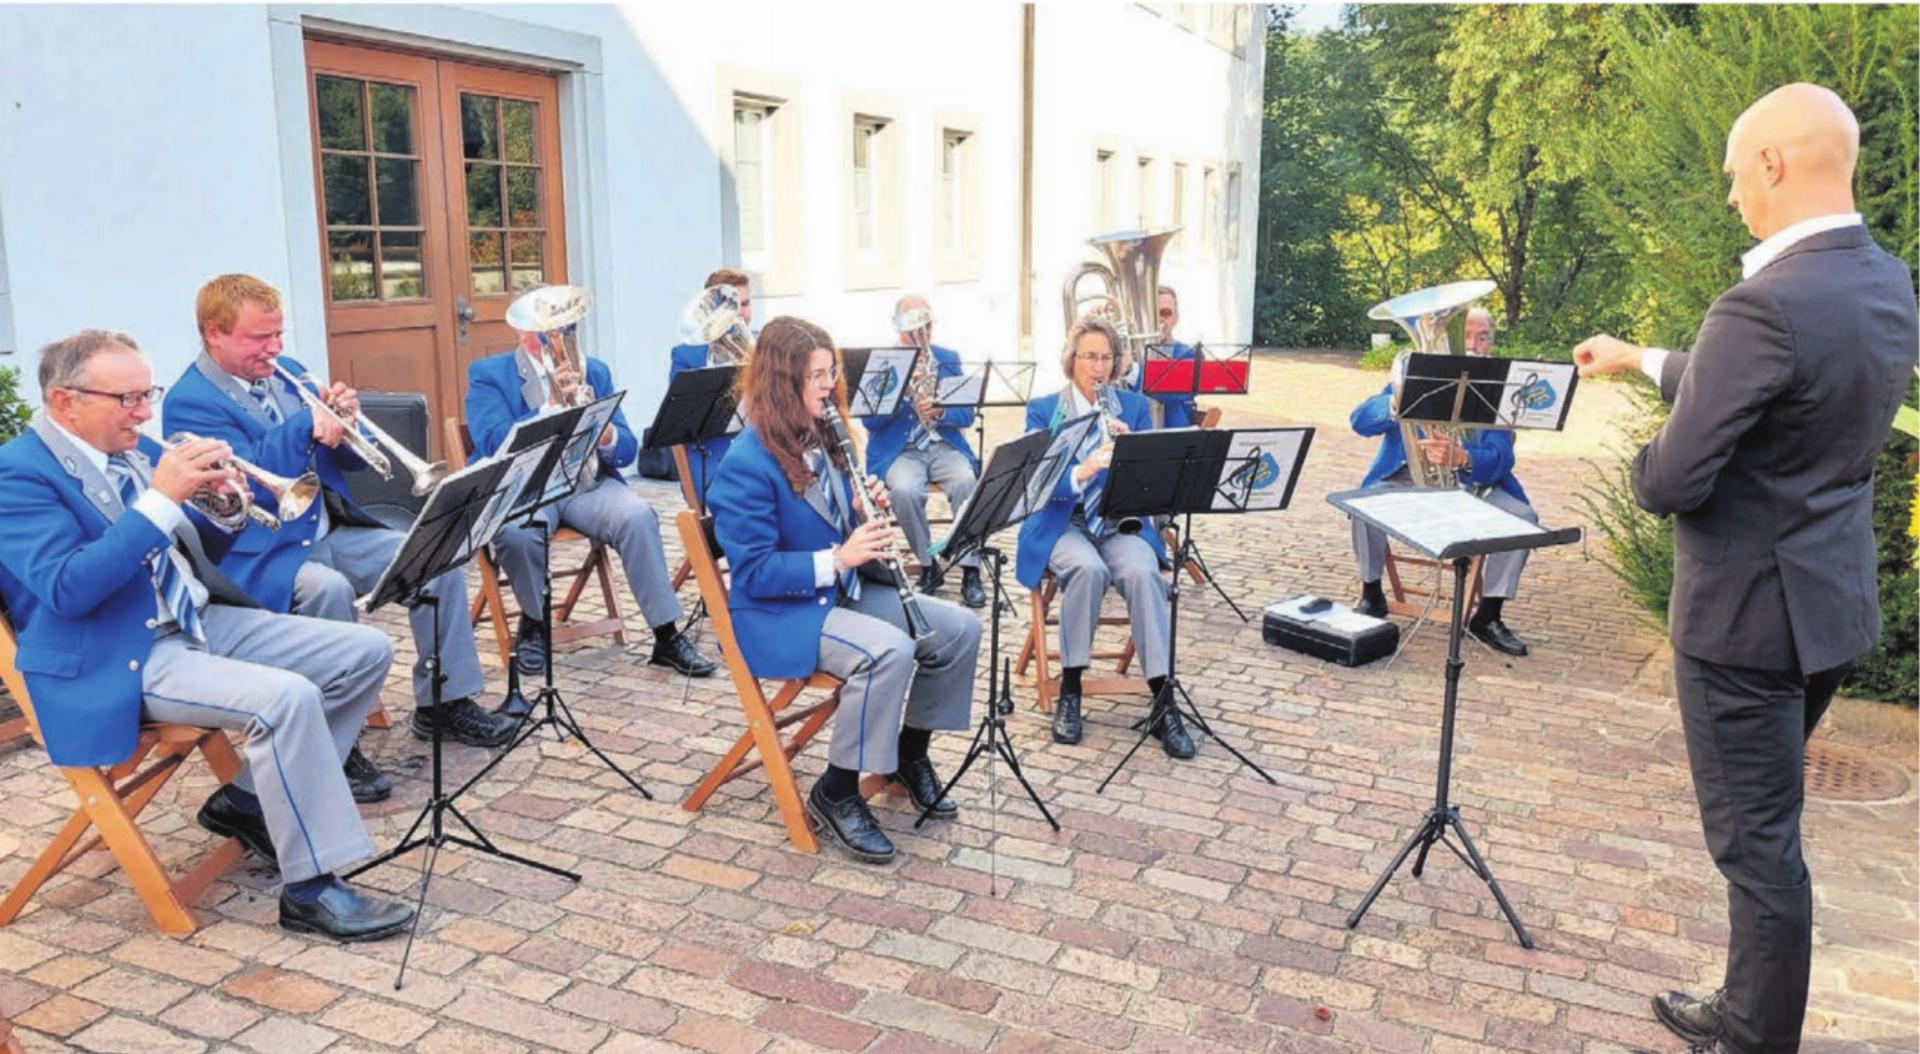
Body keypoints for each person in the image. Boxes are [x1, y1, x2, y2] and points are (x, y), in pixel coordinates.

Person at [1574, 84, 1917, 1054]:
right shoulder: (1882, 283)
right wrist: (1642, 358)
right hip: (1827, 614)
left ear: (1770, 164)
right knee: (1769, 828)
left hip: (1743, 628)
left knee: (1758, 848)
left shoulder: (1761, 303)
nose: (1731, 196)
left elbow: (1672, 476)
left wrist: (1645, 462)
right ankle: (1740, 1003)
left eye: (1735, 175)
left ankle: (1754, 1038)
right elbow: (1781, 380)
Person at [0, 330, 414, 941]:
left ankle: (248, 801)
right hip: (117, 653)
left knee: (364, 651)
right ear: (65, 402)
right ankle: (311, 888)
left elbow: (189, 551)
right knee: (286, 700)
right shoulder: (18, 475)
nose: (145, 412)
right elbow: (68, 587)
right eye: (128, 398)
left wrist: (222, 508)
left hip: (192, 618)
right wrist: (161, 501)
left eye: (148, 394)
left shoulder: (128, 452)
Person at [164, 275, 516, 790]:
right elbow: (241, 485)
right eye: (260, 338)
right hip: (261, 550)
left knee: (435, 556)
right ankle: (337, 744)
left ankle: (445, 700)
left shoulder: (288, 375)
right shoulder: (188, 402)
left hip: (327, 530)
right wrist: (304, 426)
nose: (276, 348)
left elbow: (344, 460)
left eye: (279, 334)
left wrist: (345, 423)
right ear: (214, 334)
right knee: (324, 590)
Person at [706, 316, 981, 865]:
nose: (830, 386)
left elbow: (832, 521)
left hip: (837, 594)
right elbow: (757, 572)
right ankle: (836, 789)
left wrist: (860, 508)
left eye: (831, 373)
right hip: (777, 614)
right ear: (783, 382)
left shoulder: (824, 434)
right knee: (889, 650)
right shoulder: (745, 464)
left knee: (958, 630)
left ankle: (908, 753)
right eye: (816, 376)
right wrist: (840, 555)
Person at [467, 297, 718, 679]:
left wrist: (608, 436)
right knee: (518, 532)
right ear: (521, 331)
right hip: (528, 488)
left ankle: (666, 635)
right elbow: (492, 442)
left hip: (587, 484)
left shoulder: (594, 371)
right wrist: (549, 408)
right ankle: (534, 625)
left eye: (566, 327)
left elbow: (630, 447)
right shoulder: (489, 373)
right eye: (546, 329)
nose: (558, 337)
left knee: (637, 516)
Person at [1015, 316, 1189, 758]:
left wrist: (1136, 459)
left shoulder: (1130, 407)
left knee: (1143, 571)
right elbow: (1033, 483)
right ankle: (1071, 688)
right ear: (1072, 360)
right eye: (1090, 357)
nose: (1098, 366)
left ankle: (1162, 699)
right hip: (1063, 521)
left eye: (1106, 358)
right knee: (1087, 570)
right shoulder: (1044, 409)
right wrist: (1084, 470)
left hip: (1117, 520)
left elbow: (1158, 481)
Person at [1347, 306, 1538, 656]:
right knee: (1362, 505)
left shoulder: (1497, 388)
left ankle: (1488, 615)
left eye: (1483, 338)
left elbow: (1502, 458)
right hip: (1409, 480)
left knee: (1524, 519)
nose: (1474, 345)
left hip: (1473, 485)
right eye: (1466, 335)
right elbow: (1359, 421)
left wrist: (1463, 458)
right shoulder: (1413, 374)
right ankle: (1371, 593)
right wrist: (1397, 402)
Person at [862, 295, 985, 608]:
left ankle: (970, 567)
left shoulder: (947, 357)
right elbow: (871, 422)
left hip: (943, 444)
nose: (921, 334)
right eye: (913, 328)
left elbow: (967, 415)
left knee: (965, 482)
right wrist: (903, 395)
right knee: (904, 490)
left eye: (926, 326)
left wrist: (942, 413)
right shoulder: (883, 362)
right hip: (900, 450)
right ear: (897, 327)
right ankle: (928, 564)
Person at [667, 268, 754, 498]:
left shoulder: (766, 350)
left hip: (765, 451)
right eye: (733, 307)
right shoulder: (686, 357)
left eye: (745, 304)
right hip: (716, 459)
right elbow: (682, 424)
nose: (741, 314)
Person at [1123, 285, 1198, 428]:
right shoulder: (1128, 354)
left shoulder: (1188, 354)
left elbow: (1173, 390)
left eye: (1166, 313)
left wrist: (1132, 371)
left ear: (1176, 318)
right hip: (1131, 435)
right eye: (1152, 314)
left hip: (1170, 440)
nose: (1158, 320)